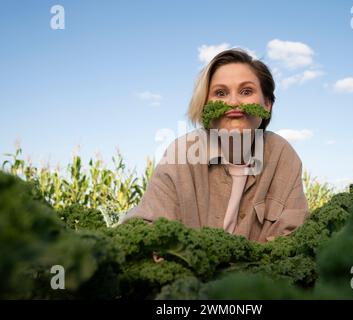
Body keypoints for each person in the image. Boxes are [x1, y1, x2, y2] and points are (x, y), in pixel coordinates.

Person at [120, 48, 309, 242]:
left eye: (246, 91)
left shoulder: (282, 155)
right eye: (220, 93)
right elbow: (145, 227)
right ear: (204, 105)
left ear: (266, 104)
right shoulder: (181, 153)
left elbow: (293, 237)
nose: (234, 102)